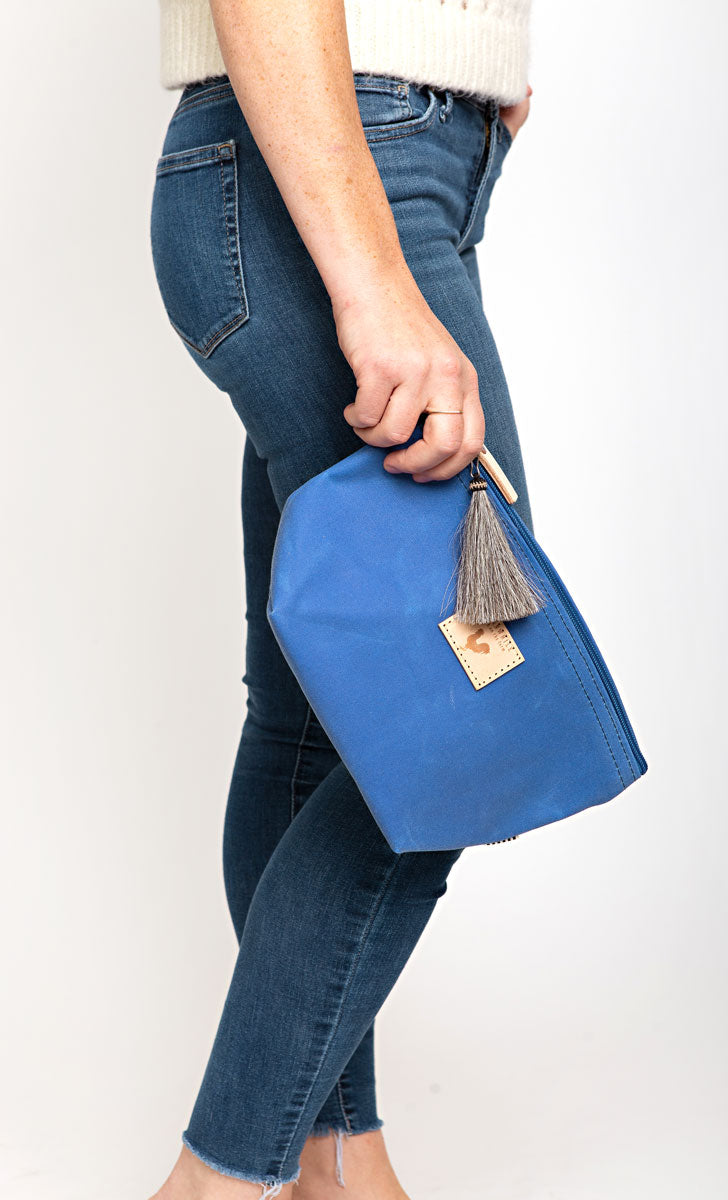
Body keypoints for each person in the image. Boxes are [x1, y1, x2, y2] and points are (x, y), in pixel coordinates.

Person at [149, 0, 535, 1196]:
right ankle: (213, 1183)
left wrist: (481, 70)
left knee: (311, 730)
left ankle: (337, 1167)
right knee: (463, 715)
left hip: (350, 163)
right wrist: (367, 282)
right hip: (333, 172)